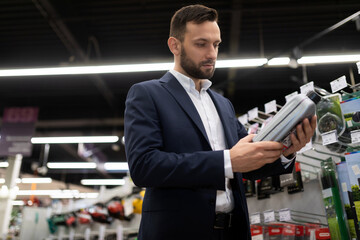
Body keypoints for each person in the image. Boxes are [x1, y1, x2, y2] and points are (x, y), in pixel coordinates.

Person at [124, 4, 316, 240]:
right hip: (177, 232)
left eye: (216, 45)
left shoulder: (223, 105)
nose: (212, 54)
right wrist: (227, 161)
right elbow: (144, 166)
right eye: (201, 44)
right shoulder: (147, 94)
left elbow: (251, 165)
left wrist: (288, 150)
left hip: (232, 231)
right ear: (174, 45)